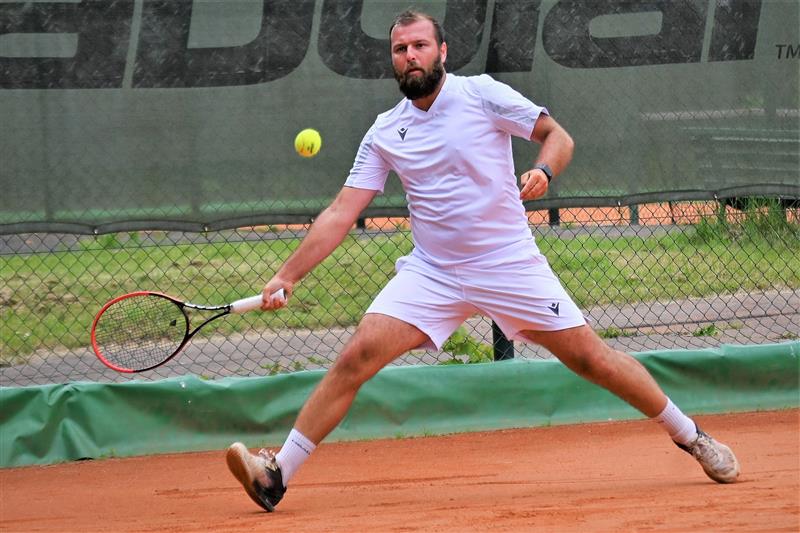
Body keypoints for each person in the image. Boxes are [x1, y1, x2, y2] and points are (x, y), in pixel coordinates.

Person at [225, 10, 740, 512]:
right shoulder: (385, 131)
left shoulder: (482, 94)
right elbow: (341, 211)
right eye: (400, 50)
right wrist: (287, 275)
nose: (410, 57)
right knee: (357, 355)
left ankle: (690, 436)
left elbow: (557, 137)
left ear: (442, 52)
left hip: (508, 263)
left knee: (591, 359)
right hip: (433, 273)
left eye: (420, 46)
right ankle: (277, 475)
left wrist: (543, 172)